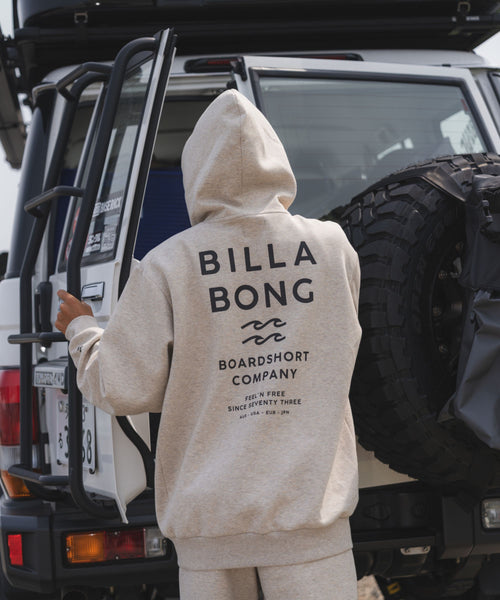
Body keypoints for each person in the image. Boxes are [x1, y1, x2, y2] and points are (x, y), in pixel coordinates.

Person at [55, 89, 362, 600]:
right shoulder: (333, 248)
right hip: (314, 523)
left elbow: (124, 386)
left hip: (209, 531)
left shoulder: (167, 264)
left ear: (197, 171)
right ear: (276, 161)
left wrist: (82, 331)